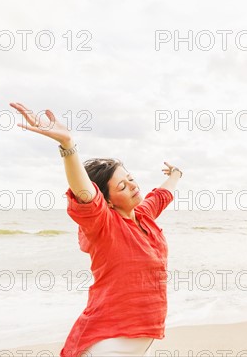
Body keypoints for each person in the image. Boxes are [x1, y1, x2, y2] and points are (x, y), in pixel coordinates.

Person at [10, 102, 182, 357]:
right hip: (107, 341)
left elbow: (163, 194)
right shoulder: (104, 224)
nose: (133, 186)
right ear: (108, 200)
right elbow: (86, 195)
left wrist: (177, 173)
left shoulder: (144, 216)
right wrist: (68, 146)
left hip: (139, 339)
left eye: (130, 179)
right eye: (122, 187)